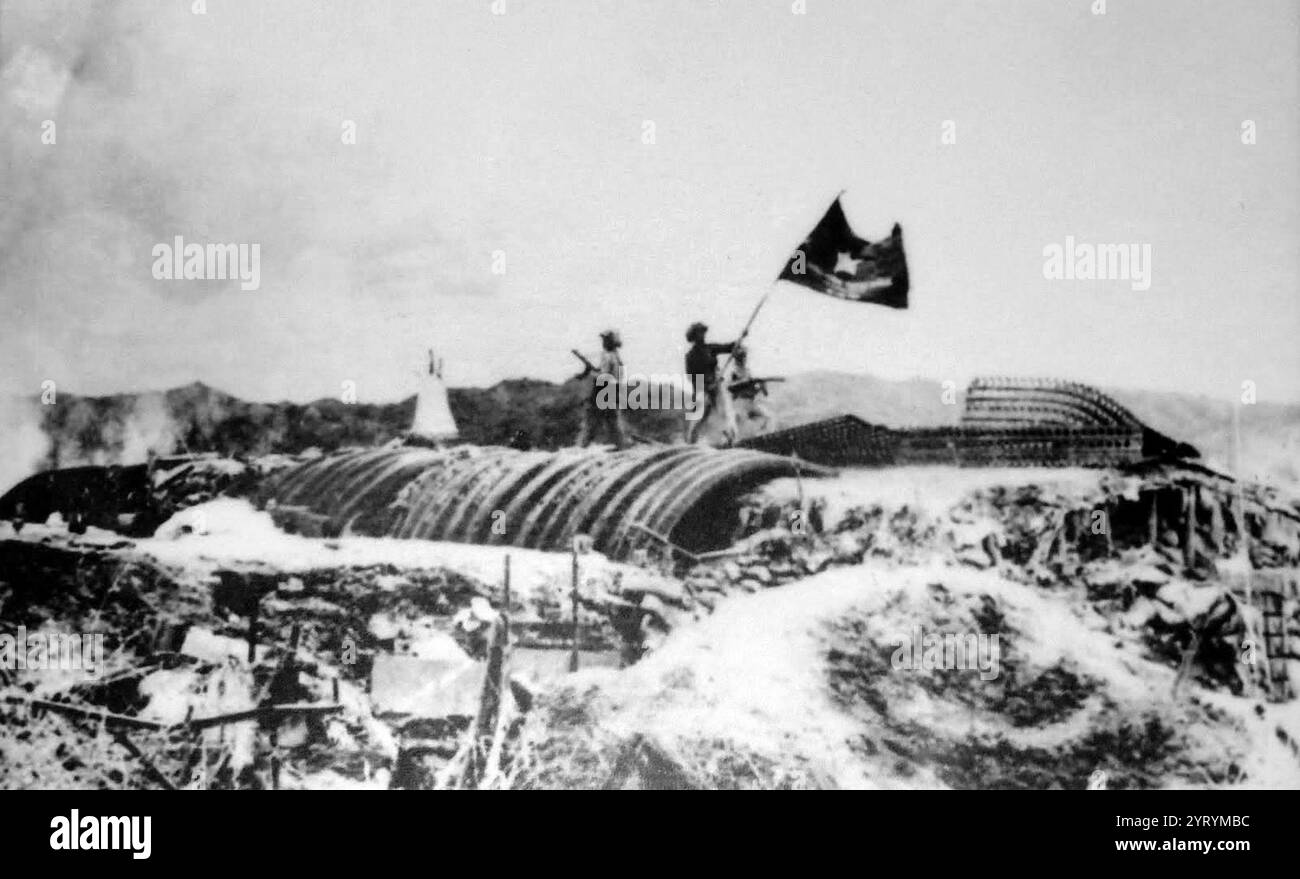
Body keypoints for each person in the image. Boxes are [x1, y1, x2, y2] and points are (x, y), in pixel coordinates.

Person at [683, 322, 736, 444]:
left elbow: (728, 347)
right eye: (699, 333)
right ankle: (691, 443)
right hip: (701, 387)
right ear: (694, 337)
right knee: (700, 416)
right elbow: (691, 376)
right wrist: (706, 386)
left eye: (703, 332)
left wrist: (741, 338)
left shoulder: (710, 348)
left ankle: (730, 440)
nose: (702, 335)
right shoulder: (690, 356)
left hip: (716, 384)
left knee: (724, 411)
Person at [575, 329, 629, 449]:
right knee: (613, 423)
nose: (603, 342)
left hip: (602, 392)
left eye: (605, 340)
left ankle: (581, 448)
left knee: (591, 423)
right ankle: (621, 446)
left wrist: (590, 372)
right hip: (613, 392)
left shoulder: (607, 356)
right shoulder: (616, 357)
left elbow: (603, 376)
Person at [722, 343, 778, 441]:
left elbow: (756, 389)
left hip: (750, 402)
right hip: (739, 403)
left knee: (768, 418)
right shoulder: (733, 373)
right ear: (736, 358)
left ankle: (764, 438)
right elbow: (729, 387)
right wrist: (746, 382)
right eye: (741, 356)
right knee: (741, 424)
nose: (743, 358)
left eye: (744, 356)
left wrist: (760, 386)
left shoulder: (747, 371)